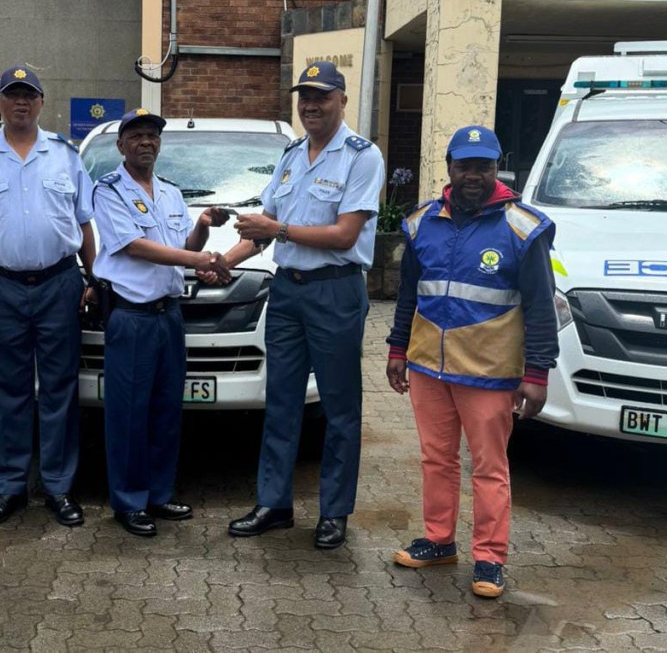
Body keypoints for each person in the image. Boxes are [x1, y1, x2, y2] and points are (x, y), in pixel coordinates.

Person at [386, 125, 558, 598]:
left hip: (490, 371)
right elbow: (407, 295)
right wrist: (398, 349)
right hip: (427, 365)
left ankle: (489, 557)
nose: (474, 176)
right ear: (450, 168)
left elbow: (542, 306)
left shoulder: (523, 227)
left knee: (489, 466)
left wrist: (538, 373)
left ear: (496, 168)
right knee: (436, 458)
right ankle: (439, 540)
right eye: (465, 166)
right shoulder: (422, 222)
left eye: (484, 166)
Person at [219, 61, 384, 549]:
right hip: (287, 292)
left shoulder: (361, 156)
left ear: (342, 100)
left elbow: (345, 234)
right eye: (304, 97)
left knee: (339, 408)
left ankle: (334, 511)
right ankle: (274, 504)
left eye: (321, 96)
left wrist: (279, 231)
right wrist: (225, 261)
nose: (310, 106)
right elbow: (265, 226)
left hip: (335, 290)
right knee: (282, 402)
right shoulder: (291, 154)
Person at [0, 65, 96, 528]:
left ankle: (58, 487)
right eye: (12, 95)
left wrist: (95, 278)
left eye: (29, 95)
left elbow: (83, 222)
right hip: (1, 286)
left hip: (60, 284)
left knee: (59, 389)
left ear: (42, 103)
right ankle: (8, 487)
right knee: (7, 389)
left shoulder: (65, 155)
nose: (21, 103)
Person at [91, 108, 231, 536]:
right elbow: (136, 247)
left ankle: (159, 493)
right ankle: (129, 501)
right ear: (121, 145)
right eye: (136, 136)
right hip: (131, 317)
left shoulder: (170, 194)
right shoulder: (108, 190)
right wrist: (200, 259)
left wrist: (204, 228)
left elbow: (183, 245)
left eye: (152, 135)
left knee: (167, 409)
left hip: (169, 316)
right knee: (129, 414)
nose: (146, 142)